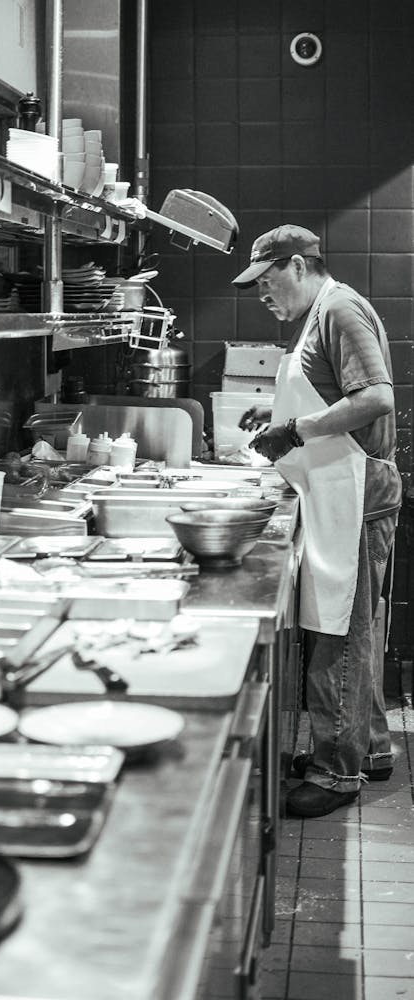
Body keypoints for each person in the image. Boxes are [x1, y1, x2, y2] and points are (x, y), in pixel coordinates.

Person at [232, 224, 401, 818]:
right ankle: (369, 748)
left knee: (339, 630)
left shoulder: (339, 310)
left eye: (267, 279)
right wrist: (274, 411)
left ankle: (336, 773)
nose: (262, 293)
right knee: (353, 625)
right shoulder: (316, 314)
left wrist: (295, 429)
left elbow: (376, 397)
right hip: (336, 489)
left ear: (299, 266)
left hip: (354, 492)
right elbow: (332, 391)